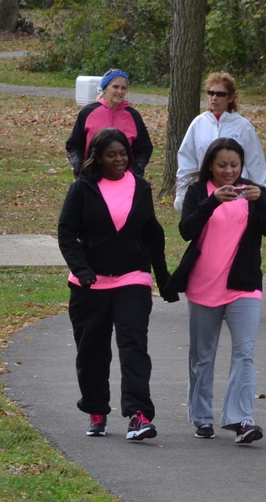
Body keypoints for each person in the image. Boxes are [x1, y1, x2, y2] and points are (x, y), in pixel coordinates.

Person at [57, 127, 171, 441]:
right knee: (91, 350)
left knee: (133, 345)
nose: (119, 159)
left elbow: (152, 234)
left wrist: (163, 278)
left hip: (132, 277)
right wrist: (82, 270)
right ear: (98, 157)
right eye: (112, 155)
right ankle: (96, 411)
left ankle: (139, 415)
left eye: (123, 153)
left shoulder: (140, 187)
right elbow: (66, 234)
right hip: (90, 284)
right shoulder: (82, 189)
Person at [176, 138, 266, 443]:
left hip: (243, 286)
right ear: (210, 165)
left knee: (244, 354)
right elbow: (186, 231)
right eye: (221, 165)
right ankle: (202, 417)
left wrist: (261, 201)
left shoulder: (252, 192)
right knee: (202, 357)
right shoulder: (198, 192)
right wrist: (212, 202)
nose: (228, 171)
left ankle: (241, 419)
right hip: (204, 285)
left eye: (234, 165)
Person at [174, 72, 266, 213]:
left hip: (236, 194)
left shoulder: (243, 126)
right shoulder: (199, 123)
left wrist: (261, 194)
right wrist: (182, 192)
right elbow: (187, 160)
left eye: (220, 94)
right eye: (210, 93)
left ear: (230, 97)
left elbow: (255, 163)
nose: (214, 98)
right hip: (205, 191)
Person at [66, 68, 153, 177]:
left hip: (124, 179)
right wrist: (79, 167)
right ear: (104, 89)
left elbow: (144, 148)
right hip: (92, 178)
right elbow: (74, 146)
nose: (120, 91)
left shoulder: (133, 116)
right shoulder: (88, 112)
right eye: (115, 87)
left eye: (123, 88)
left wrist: (137, 169)